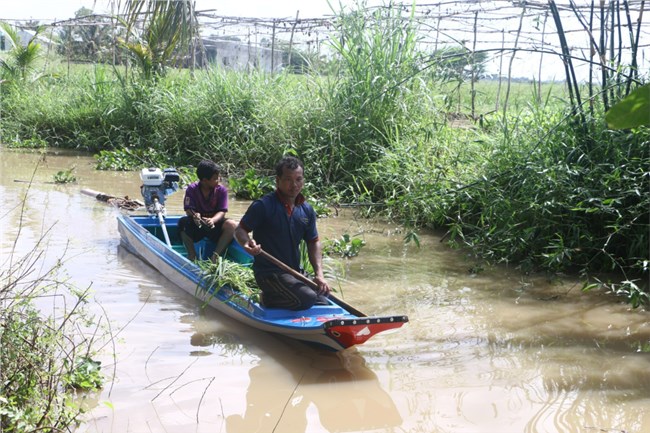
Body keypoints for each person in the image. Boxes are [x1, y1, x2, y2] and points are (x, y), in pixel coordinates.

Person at [234, 156, 331, 310]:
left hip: (294, 272)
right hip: (269, 273)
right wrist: (246, 243)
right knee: (307, 298)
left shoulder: (306, 210)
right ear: (277, 181)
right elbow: (241, 229)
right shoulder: (264, 206)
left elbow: (313, 241)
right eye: (288, 180)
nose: (294, 185)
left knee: (324, 298)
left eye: (298, 179)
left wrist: (319, 274)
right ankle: (268, 298)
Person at [178, 160, 237, 262]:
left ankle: (215, 256)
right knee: (182, 222)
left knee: (232, 225)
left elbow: (222, 211)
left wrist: (212, 220)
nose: (218, 180)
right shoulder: (192, 189)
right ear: (205, 180)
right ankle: (192, 256)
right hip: (198, 225)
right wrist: (195, 216)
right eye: (215, 179)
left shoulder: (221, 190)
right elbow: (188, 209)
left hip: (214, 225)